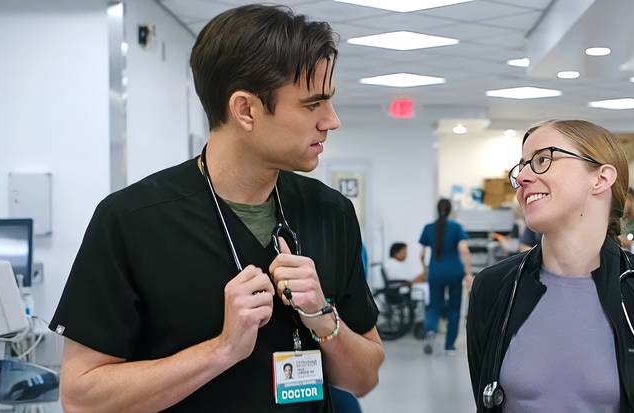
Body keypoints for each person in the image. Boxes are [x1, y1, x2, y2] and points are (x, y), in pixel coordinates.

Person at [50, 5, 383, 412]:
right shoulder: (132, 221)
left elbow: (363, 378)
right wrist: (221, 350)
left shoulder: (330, 213)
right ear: (246, 110)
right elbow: (82, 398)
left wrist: (322, 317)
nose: (331, 121)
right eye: (313, 105)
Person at [467, 120, 634, 412]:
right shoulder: (494, 288)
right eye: (522, 166)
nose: (524, 178)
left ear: (601, 178)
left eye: (543, 160)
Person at [419, 199, 472, 355]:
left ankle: (430, 331)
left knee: (434, 305)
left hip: (435, 272)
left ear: (437, 209)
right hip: (455, 272)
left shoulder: (428, 228)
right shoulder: (456, 227)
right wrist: (468, 272)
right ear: (450, 211)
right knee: (454, 308)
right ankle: (449, 347)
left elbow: (421, 254)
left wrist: (425, 269)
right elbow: (464, 250)